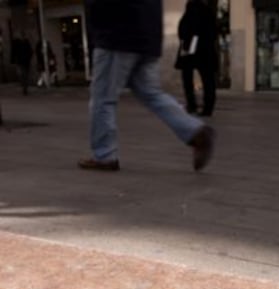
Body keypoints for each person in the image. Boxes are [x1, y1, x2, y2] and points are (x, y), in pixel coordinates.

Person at [78, 0, 215, 172]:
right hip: (147, 38)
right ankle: (196, 132)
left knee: (103, 98)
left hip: (117, 36)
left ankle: (104, 156)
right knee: (151, 93)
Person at [176, 0, 217, 117]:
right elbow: (214, 32)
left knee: (187, 78)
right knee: (208, 80)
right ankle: (208, 107)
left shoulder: (190, 9)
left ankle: (192, 104)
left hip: (190, 50)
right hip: (206, 51)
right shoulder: (209, 11)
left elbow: (182, 29)